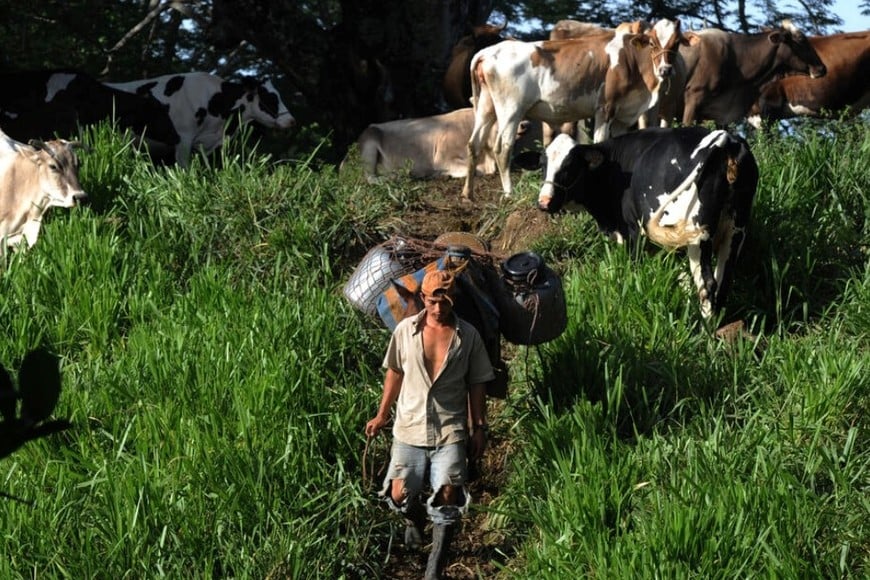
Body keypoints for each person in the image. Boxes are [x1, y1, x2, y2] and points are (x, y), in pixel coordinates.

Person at [365, 269, 494, 580]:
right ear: (423, 298)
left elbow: (477, 384)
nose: (439, 309)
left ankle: (434, 568)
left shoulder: (468, 336)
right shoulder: (404, 332)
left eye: (446, 302)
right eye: (434, 302)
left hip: (450, 429)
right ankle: (413, 519)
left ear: (453, 301)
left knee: (448, 495)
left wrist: (479, 426)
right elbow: (394, 372)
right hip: (409, 426)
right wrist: (382, 414)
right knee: (398, 494)